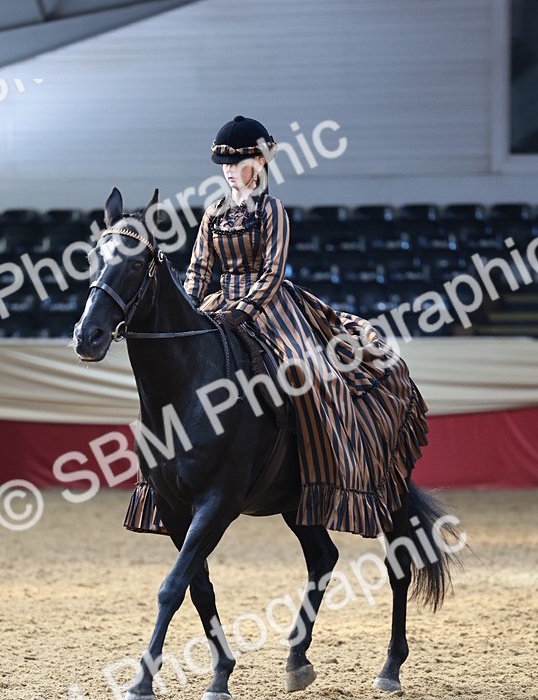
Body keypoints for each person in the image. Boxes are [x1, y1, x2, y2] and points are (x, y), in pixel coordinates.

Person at [126, 114, 429, 538]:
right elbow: (197, 270)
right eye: (225, 166)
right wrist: (193, 309)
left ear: (262, 161)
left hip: (271, 307)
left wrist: (243, 310)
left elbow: (271, 273)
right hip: (219, 306)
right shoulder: (213, 212)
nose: (231, 172)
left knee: (309, 377)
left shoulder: (272, 211)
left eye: (239, 163)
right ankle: (160, 480)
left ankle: (326, 471)